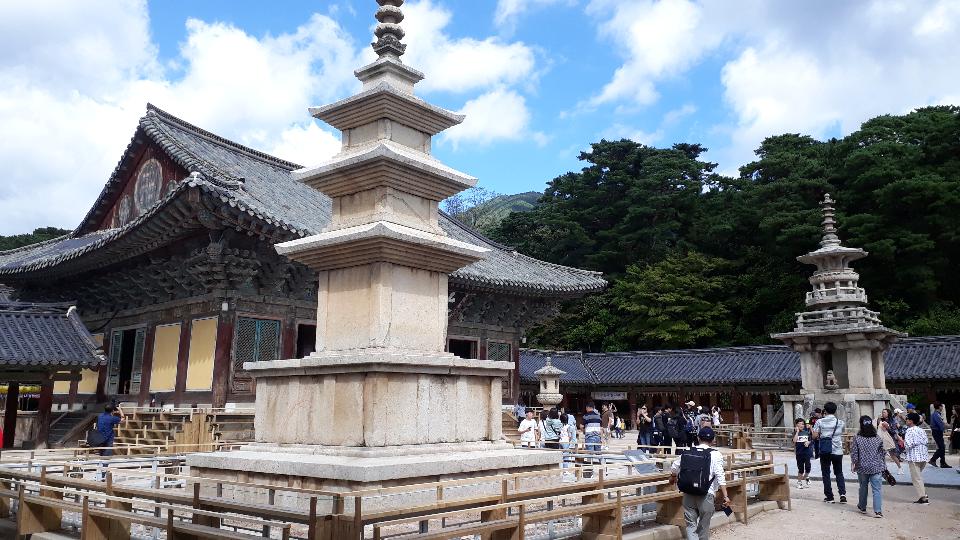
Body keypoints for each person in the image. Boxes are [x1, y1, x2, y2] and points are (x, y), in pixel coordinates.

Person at [670, 427, 730, 540]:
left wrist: (673, 477)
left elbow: (674, 466)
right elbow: (720, 476)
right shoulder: (716, 455)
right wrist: (726, 496)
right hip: (706, 494)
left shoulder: (687, 451)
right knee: (704, 526)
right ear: (713, 440)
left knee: (691, 525)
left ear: (698, 438)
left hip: (688, 493)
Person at [850, 415, 885, 518]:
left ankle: (862, 506)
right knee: (877, 489)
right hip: (876, 466)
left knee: (863, 487)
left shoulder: (858, 438)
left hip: (862, 466)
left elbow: (854, 453)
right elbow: (882, 452)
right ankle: (878, 511)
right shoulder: (877, 438)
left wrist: (854, 463)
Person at [811, 401, 846, 503]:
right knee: (839, 472)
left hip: (825, 450)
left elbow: (815, 436)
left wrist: (813, 431)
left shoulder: (820, 422)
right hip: (837, 451)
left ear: (825, 411)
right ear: (835, 411)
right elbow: (840, 433)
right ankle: (842, 494)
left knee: (826, 473)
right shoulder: (840, 422)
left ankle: (829, 496)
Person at [903, 412, 930, 504]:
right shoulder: (921, 430)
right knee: (918, 477)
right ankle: (923, 495)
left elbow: (908, 444)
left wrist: (901, 441)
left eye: (907, 419)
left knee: (916, 478)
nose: (905, 420)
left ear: (911, 421)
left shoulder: (909, 430)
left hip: (914, 456)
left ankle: (923, 497)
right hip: (923, 455)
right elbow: (926, 441)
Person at [877, 408, 904, 474]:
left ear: (888, 413)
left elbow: (894, 431)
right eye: (882, 412)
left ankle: (900, 468)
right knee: (880, 454)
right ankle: (882, 469)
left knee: (893, 455)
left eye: (884, 412)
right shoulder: (880, 420)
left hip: (891, 439)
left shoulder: (892, 420)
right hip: (882, 439)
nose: (883, 413)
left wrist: (888, 427)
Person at [583, 403, 603, 475]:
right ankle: (604, 468)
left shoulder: (586, 416)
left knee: (589, 454)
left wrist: (582, 429)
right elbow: (600, 426)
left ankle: (589, 472)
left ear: (588, 408)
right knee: (599, 453)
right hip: (597, 437)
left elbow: (583, 425)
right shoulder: (598, 416)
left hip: (589, 437)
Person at [793, 418, 813, 489]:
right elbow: (794, 441)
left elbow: (811, 440)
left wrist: (808, 442)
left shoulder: (806, 432)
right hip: (799, 453)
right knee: (801, 469)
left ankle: (806, 477)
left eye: (803, 424)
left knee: (808, 467)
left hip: (807, 453)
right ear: (796, 425)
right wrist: (797, 432)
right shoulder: (795, 433)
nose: (802, 425)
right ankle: (799, 482)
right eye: (800, 423)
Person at [929, 402, 950, 468]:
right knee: (942, 447)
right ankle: (934, 460)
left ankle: (942, 462)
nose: (942, 407)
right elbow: (940, 424)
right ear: (939, 407)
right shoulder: (936, 415)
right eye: (941, 406)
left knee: (941, 447)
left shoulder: (936, 414)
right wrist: (945, 429)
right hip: (937, 432)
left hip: (937, 432)